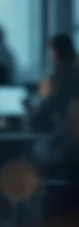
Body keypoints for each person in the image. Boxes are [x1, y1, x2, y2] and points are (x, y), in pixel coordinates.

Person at [29, 34, 79, 178]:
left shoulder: (59, 79)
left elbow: (39, 119)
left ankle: (37, 198)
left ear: (55, 54)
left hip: (65, 149)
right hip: (74, 147)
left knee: (32, 153)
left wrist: (30, 110)